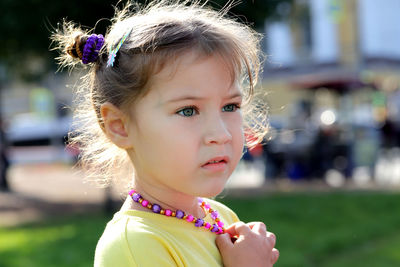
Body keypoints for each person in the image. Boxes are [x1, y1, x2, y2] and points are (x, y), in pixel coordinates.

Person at [52, 1, 278, 266]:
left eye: (230, 106)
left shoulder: (221, 218)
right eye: (188, 110)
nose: (221, 134)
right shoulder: (133, 246)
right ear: (119, 126)